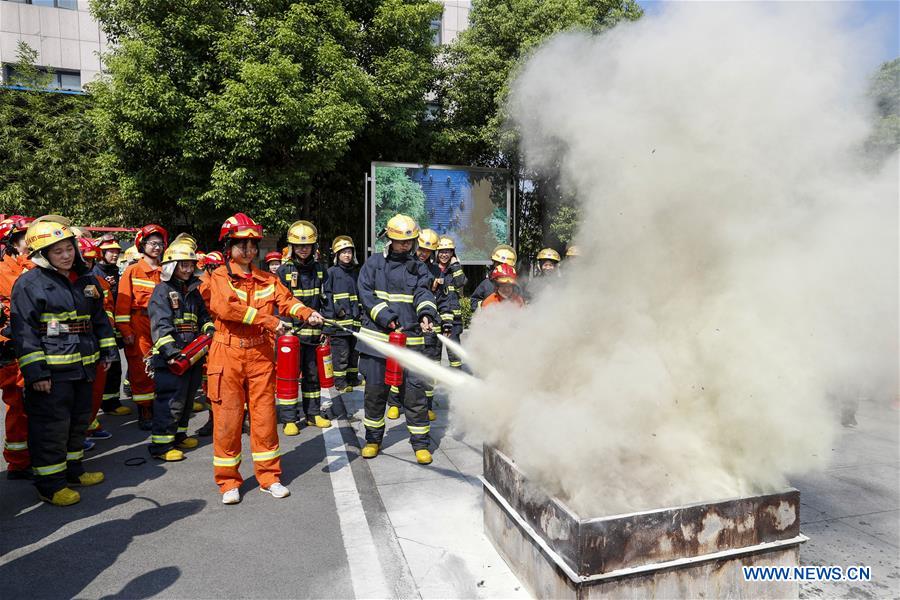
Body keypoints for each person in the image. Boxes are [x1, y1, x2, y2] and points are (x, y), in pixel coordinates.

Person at [202, 213, 322, 504]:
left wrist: (307, 313)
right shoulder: (217, 277)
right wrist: (269, 321)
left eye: (252, 244)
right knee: (228, 419)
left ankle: (269, 477)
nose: (248, 250)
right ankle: (229, 482)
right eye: (241, 244)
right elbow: (226, 308)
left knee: (265, 417)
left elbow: (287, 300)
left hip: (260, 355)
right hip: (227, 353)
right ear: (229, 246)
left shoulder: (267, 278)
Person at [10, 215, 118, 506]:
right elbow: (24, 333)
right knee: (51, 427)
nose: (66, 255)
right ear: (42, 254)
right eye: (58, 251)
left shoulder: (85, 279)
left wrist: (107, 350)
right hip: (52, 371)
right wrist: (36, 373)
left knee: (79, 422)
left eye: (69, 248)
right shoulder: (29, 284)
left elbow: (99, 319)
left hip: (84, 365)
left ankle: (73, 470)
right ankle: (50, 484)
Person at [356, 214, 439, 464]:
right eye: (400, 242)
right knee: (375, 394)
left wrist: (426, 313)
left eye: (410, 242)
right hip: (377, 343)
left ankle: (421, 445)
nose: (406, 246)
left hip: (410, 342)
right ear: (389, 239)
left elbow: (423, 291)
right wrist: (387, 318)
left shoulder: (419, 267)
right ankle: (372, 440)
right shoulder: (373, 264)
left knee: (415, 396)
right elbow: (365, 293)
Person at [147, 234, 214, 462]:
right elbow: (160, 325)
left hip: (193, 354)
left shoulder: (193, 291)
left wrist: (209, 329)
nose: (187, 269)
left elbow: (203, 316)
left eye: (190, 265)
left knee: (186, 399)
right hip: (172, 357)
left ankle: (179, 435)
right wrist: (171, 352)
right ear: (171, 266)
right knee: (170, 400)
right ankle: (161, 446)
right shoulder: (161, 291)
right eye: (182, 265)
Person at [276, 220, 330, 435]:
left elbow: (327, 300)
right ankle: (289, 418)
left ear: (314, 247)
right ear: (291, 247)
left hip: (314, 333)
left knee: (312, 375)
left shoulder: (320, 270)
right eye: (299, 245)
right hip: (291, 335)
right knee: (289, 376)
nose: (303, 249)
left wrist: (325, 326)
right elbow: (279, 303)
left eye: (307, 245)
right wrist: (284, 330)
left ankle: (313, 414)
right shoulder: (283, 271)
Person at [115, 224, 168, 430]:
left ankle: (159, 406)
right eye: (152, 243)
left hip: (162, 324)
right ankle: (145, 410)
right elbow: (122, 305)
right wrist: (126, 331)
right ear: (142, 245)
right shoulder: (133, 270)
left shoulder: (166, 270)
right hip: (139, 324)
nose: (156, 247)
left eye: (159, 244)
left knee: (164, 365)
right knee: (141, 368)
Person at [0, 215, 34, 480]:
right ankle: (19, 461)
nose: (30, 242)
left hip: (37, 342)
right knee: (18, 403)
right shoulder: (4, 270)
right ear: (11, 241)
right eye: (25, 237)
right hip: (12, 348)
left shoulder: (36, 265)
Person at [77, 237, 114, 445]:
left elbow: (105, 312)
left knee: (96, 390)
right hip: (74, 347)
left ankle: (89, 424)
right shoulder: (64, 282)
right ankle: (78, 434)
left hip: (95, 342)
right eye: (85, 260)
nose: (88, 264)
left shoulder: (98, 283)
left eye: (91, 261)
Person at [91, 234, 130, 417]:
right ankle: (108, 404)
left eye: (116, 252)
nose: (115, 255)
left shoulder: (115, 270)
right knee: (110, 366)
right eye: (111, 252)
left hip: (115, 323)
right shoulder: (96, 272)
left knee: (115, 367)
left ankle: (111, 401)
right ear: (102, 253)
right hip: (104, 325)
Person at [321, 235, 360, 404]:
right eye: (343, 252)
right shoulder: (331, 273)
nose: (347, 255)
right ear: (337, 255)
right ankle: (340, 382)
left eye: (349, 252)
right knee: (341, 354)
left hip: (354, 322)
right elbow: (326, 297)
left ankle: (352, 378)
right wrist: (337, 311)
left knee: (353, 353)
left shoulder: (355, 272)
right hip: (339, 323)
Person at [435, 236, 467, 370]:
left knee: (454, 351)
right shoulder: (432, 268)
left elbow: (461, 282)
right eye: (441, 251)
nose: (444, 255)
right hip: (436, 316)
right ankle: (434, 379)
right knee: (435, 350)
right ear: (436, 253)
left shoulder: (454, 268)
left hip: (454, 318)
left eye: (448, 251)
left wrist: (455, 265)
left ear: (452, 253)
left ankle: (457, 379)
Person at [471, 244, 517, 311]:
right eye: (499, 264)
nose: (502, 267)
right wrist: (484, 305)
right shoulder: (486, 284)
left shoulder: (516, 285)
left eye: (506, 265)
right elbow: (474, 301)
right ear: (494, 263)